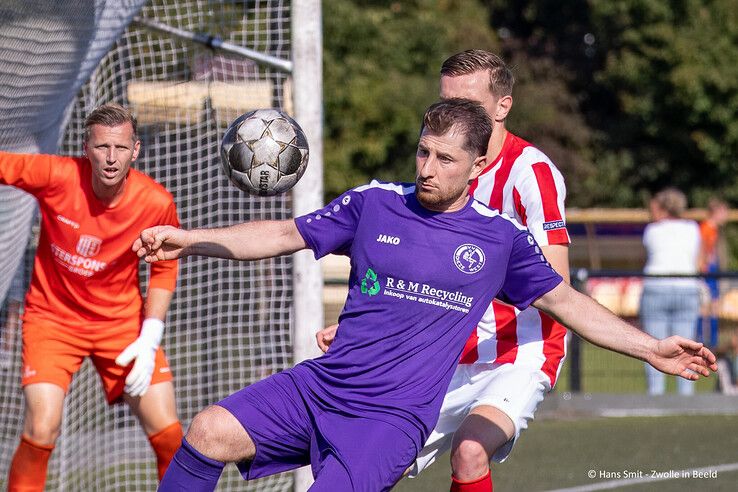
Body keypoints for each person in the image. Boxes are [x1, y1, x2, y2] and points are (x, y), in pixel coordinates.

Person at [135, 99, 716, 492]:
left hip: (390, 420)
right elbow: (284, 235)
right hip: (322, 384)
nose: (427, 168)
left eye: (445, 158)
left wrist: (650, 348)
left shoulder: (500, 238)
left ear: (479, 164)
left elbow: (568, 303)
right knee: (208, 430)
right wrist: (189, 240)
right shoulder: (374, 202)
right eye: (423, 152)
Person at [317, 49, 571, 491]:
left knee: (470, 451)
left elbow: (557, 285)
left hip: (516, 353)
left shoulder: (531, 173)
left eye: (469, 103)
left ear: (502, 106)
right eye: (446, 100)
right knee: (362, 464)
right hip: (440, 354)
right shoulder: (440, 164)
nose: (454, 114)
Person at [0, 104, 183, 490]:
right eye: (102, 147)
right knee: (41, 425)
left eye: (120, 148)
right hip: (52, 321)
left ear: (136, 150)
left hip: (122, 326)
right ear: (87, 147)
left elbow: (164, 268)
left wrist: (149, 340)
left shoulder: (156, 202)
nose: (111, 158)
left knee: (171, 437)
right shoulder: (57, 175)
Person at [640, 188, 702, 396]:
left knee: (654, 345)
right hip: (686, 287)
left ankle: (655, 395)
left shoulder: (652, 230)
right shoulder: (693, 228)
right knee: (687, 347)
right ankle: (686, 395)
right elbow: (698, 260)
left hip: (656, 287)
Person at [698, 197, 729, 348]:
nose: (726, 216)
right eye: (723, 212)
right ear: (715, 212)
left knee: (714, 307)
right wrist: (703, 272)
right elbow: (703, 253)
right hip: (707, 272)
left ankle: (712, 342)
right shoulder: (706, 228)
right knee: (705, 307)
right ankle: (703, 341)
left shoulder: (713, 229)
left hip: (712, 271)